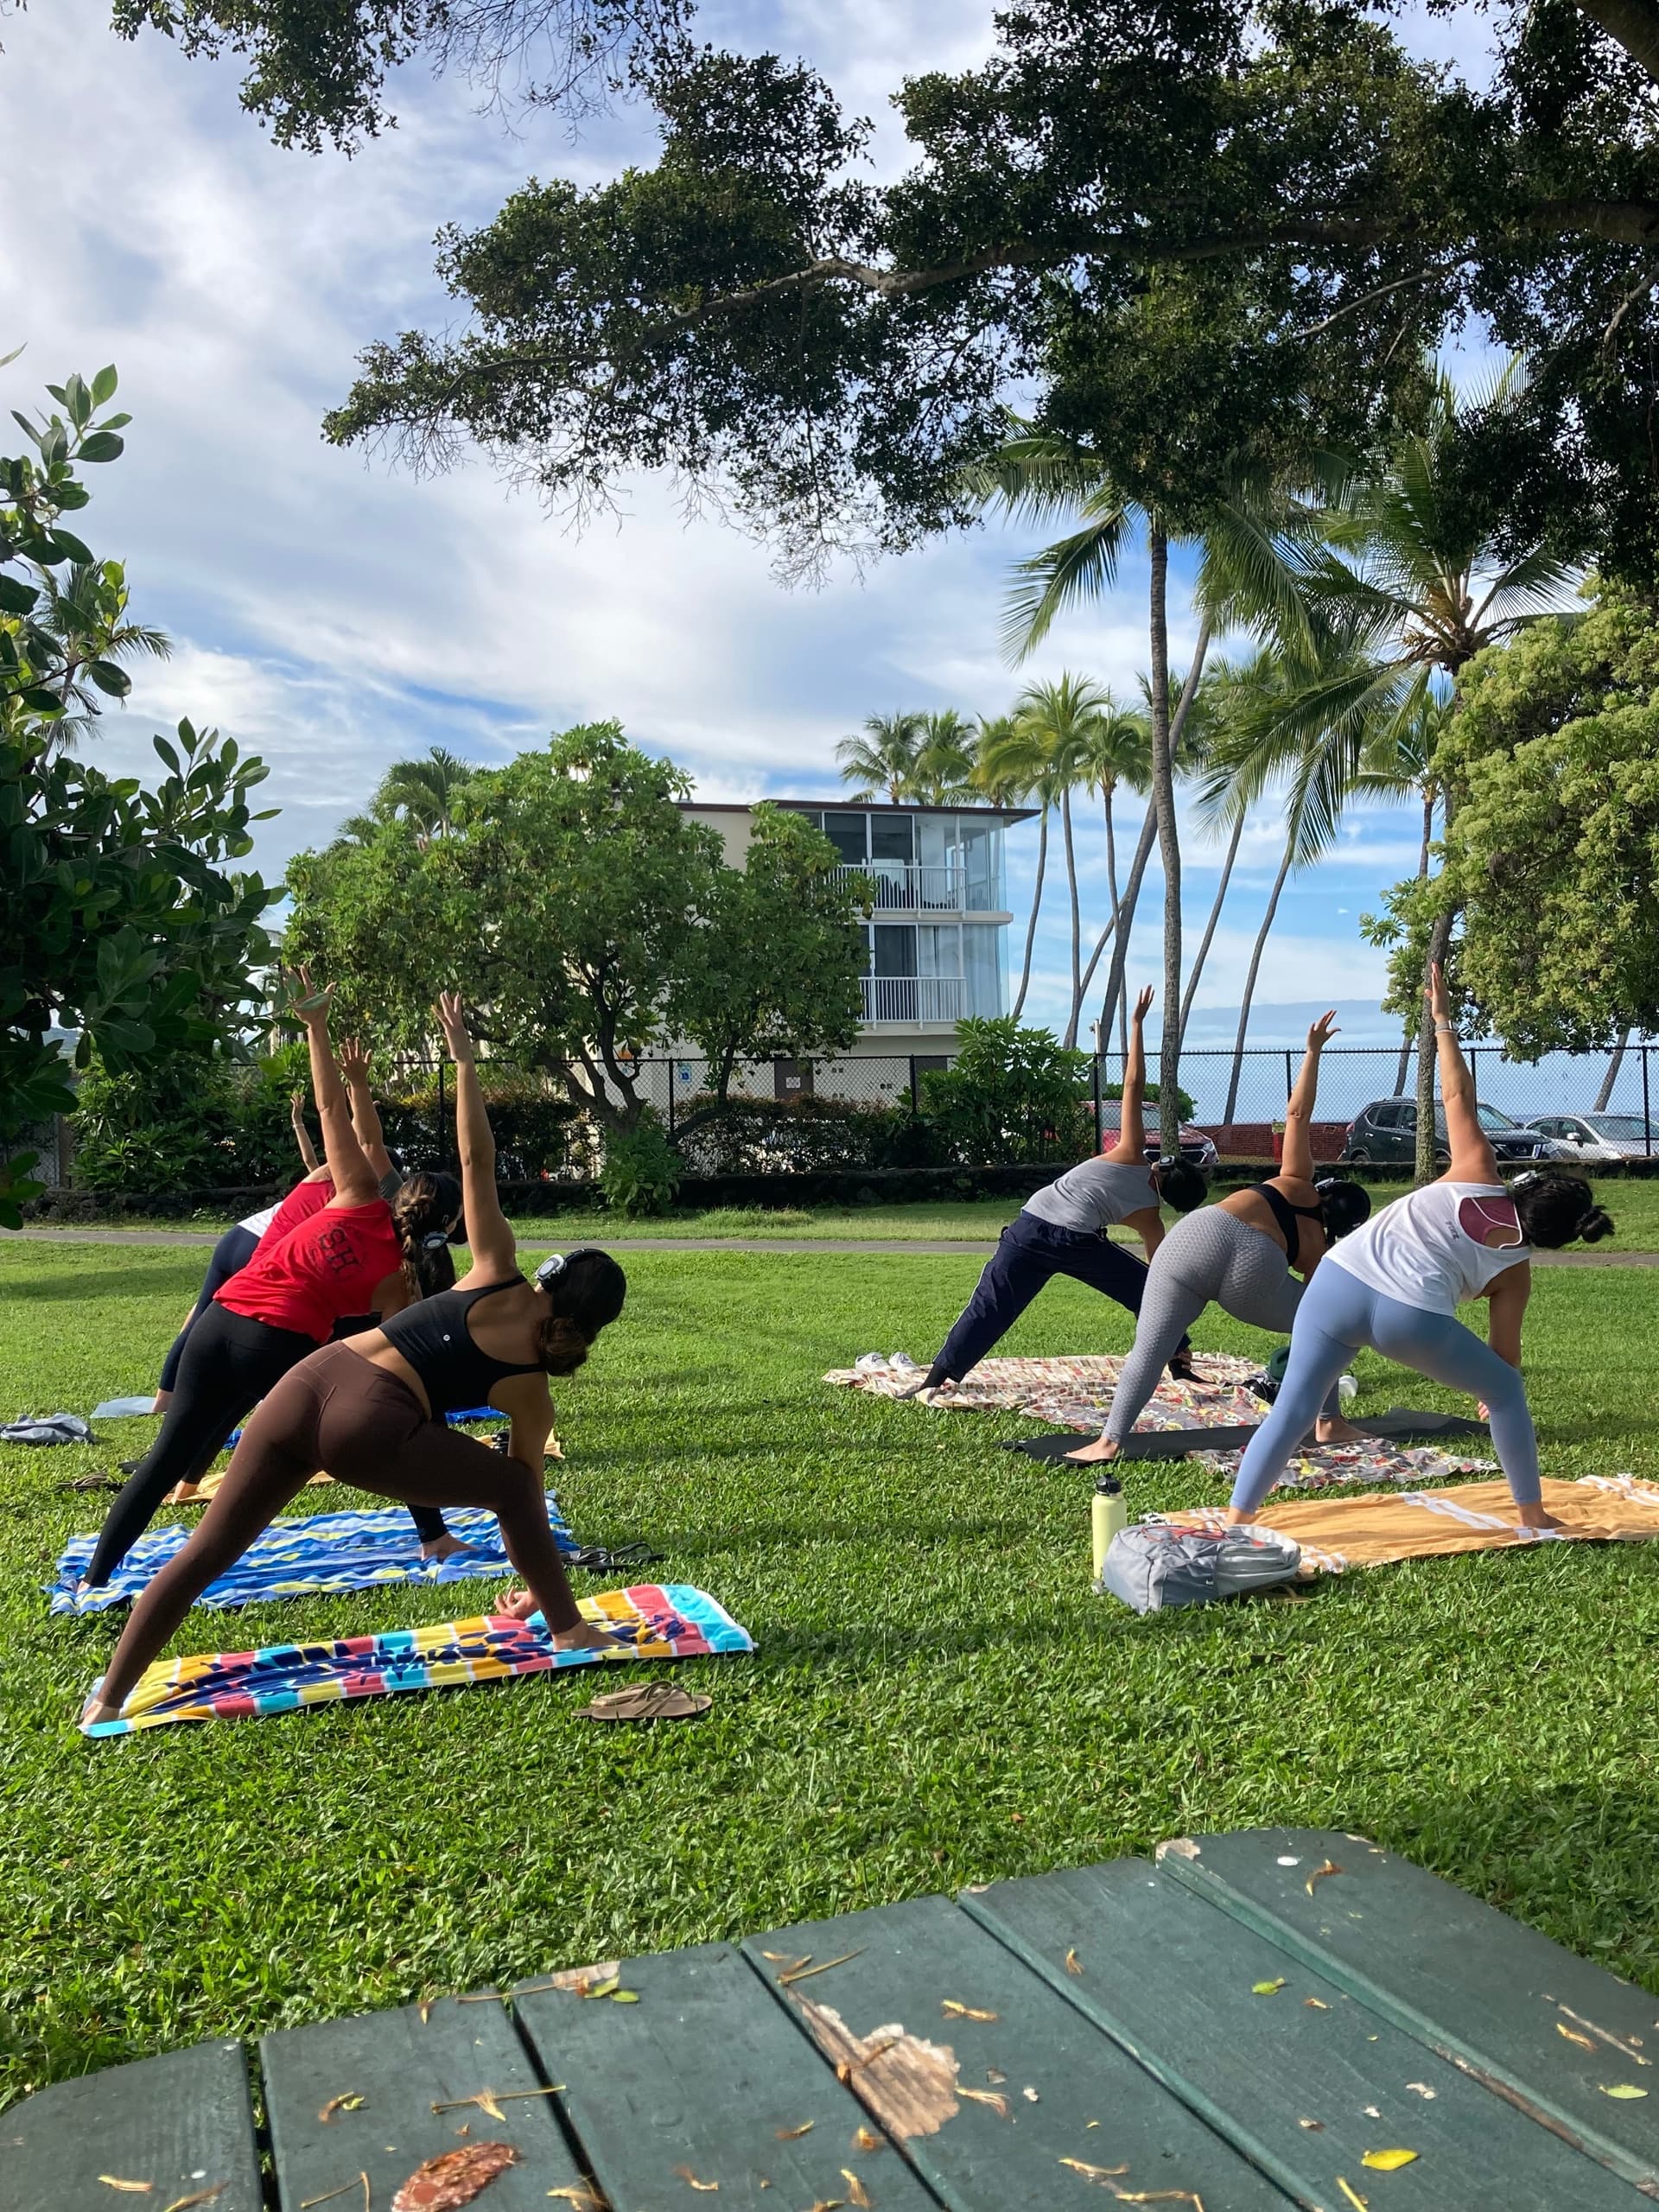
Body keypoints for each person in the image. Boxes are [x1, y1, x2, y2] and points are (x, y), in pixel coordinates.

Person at [82, 993, 626, 1725]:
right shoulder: (532, 1392)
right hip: (365, 1420)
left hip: (301, 1384)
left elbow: (476, 1160)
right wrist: (537, 1586)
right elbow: (521, 1503)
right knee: (516, 1487)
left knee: (206, 1553)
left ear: (552, 1277)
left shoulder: (495, 1267)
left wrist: (465, 1061)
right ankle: (568, 1629)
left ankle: (106, 1698)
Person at [81, 978, 460, 1591]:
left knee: (163, 1461)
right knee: (359, 1438)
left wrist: (317, 1029)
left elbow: (330, 1111)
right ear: (445, 1227)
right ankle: (434, 1535)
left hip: (216, 1326)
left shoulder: (356, 1192)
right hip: (275, 1344)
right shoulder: (400, 1281)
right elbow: (395, 1374)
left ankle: (94, 1581)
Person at [1224, 964, 1614, 1529]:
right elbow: (1504, 1359)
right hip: (1408, 1317)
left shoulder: (1477, 1168)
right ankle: (1533, 1514)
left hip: (1335, 1282)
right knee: (1507, 1391)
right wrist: (1491, 1391)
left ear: (1529, 1184)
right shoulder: (1515, 1272)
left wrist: (1443, 1021)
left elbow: (1456, 1092)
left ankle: (1237, 1521)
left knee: (1293, 1412)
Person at [1067, 1012, 1372, 1464]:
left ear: (1326, 1191)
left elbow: (1297, 1114)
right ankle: (1328, 1422)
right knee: (1327, 1327)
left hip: (1195, 1236)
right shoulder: (1318, 1249)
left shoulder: (1297, 1178)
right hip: (1252, 1264)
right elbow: (1318, 1317)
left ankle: (1108, 1441)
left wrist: (1312, 1052)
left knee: (1149, 1350)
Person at [899, 988, 1209, 1399]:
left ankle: (934, 1381)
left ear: (1164, 1169)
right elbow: (1158, 1285)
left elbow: (1133, 1084)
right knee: (1143, 1292)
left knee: (992, 1306)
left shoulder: (1132, 1153)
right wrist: (1179, 1329)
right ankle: (1180, 1363)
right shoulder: (1150, 1218)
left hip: (1031, 1229)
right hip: (1072, 1240)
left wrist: (1135, 1024)